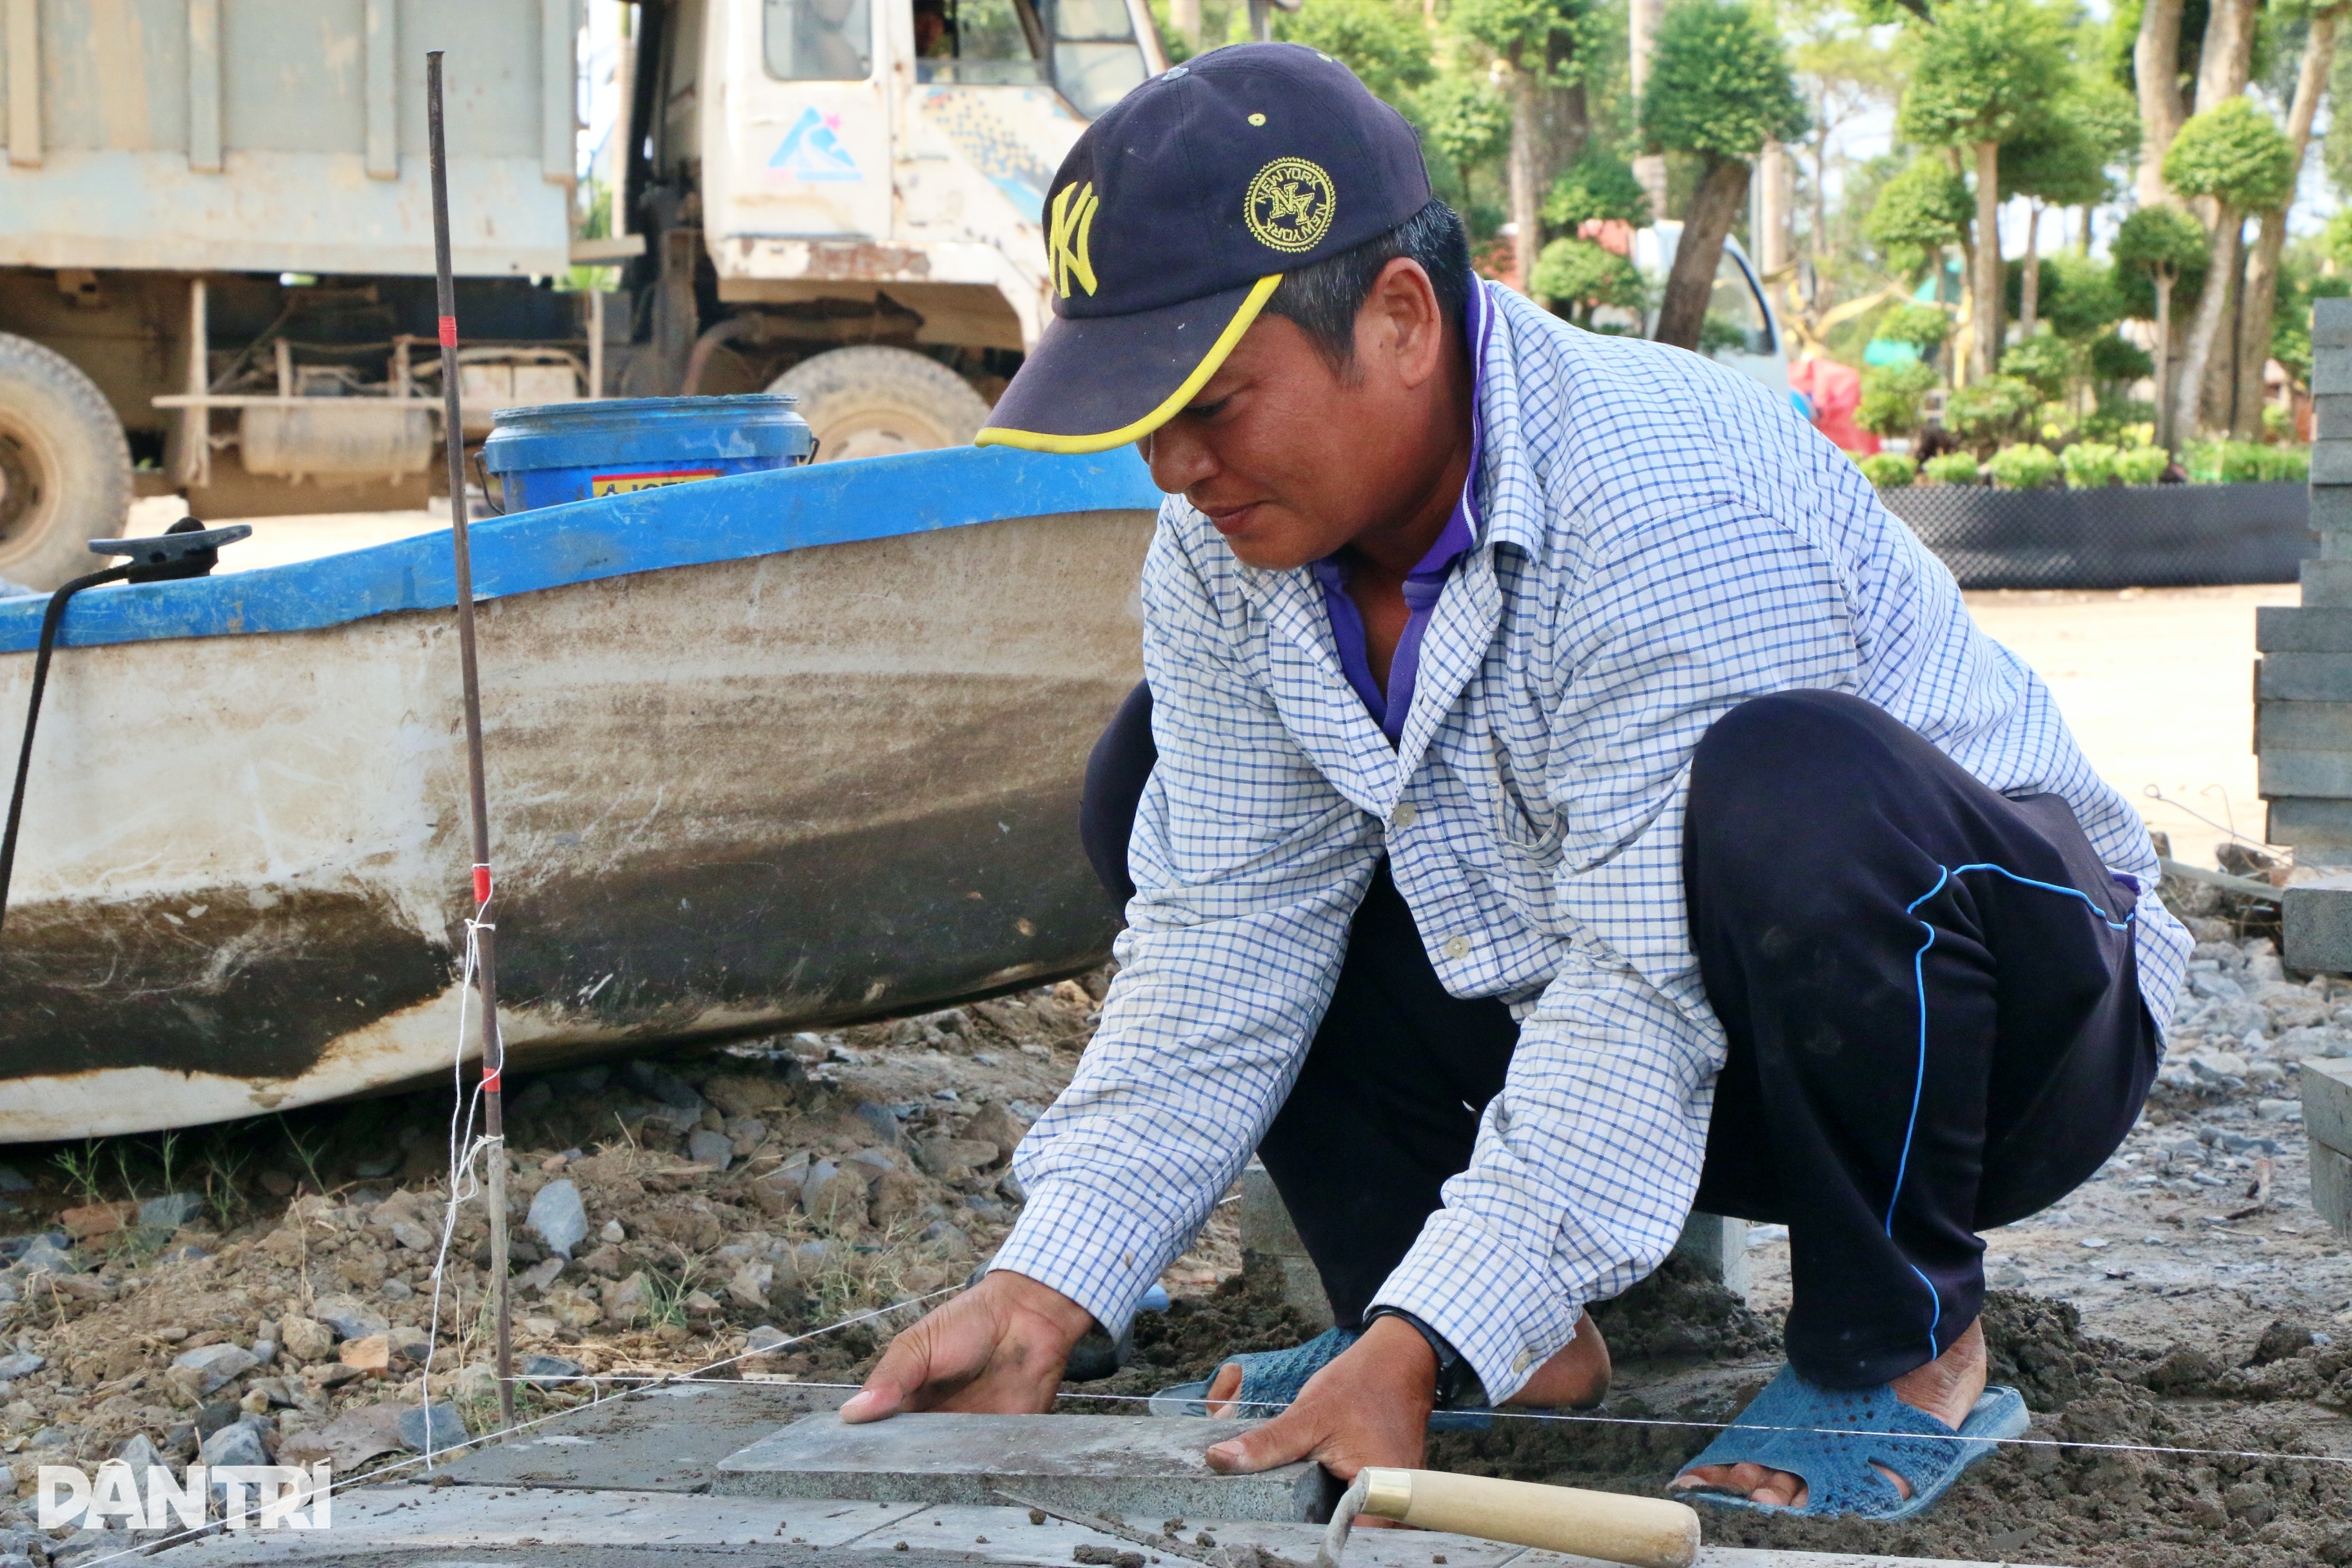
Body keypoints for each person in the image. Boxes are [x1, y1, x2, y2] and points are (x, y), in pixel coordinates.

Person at [838, 43, 2188, 1523]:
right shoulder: (1231, 564)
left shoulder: (1666, 500)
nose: (1175, 468)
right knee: (1150, 773)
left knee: (1793, 782)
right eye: (1144, 417)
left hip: (1990, 1033)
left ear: (1404, 321)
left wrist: (1425, 1340)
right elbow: (1227, 931)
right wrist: (1046, 1289)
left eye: (1215, 404)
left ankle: (1902, 1347)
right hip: (1665, 1031)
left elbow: (1640, 979)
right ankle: (1510, 1344)